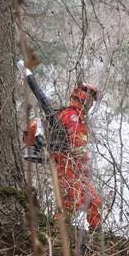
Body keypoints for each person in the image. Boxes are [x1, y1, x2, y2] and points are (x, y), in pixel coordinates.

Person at [53, 82, 102, 231]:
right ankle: (94, 237)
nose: (93, 103)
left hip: (69, 167)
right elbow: (77, 146)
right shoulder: (72, 116)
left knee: (68, 205)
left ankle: (59, 233)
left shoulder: (72, 114)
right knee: (92, 201)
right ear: (84, 96)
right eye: (92, 98)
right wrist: (85, 164)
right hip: (68, 168)